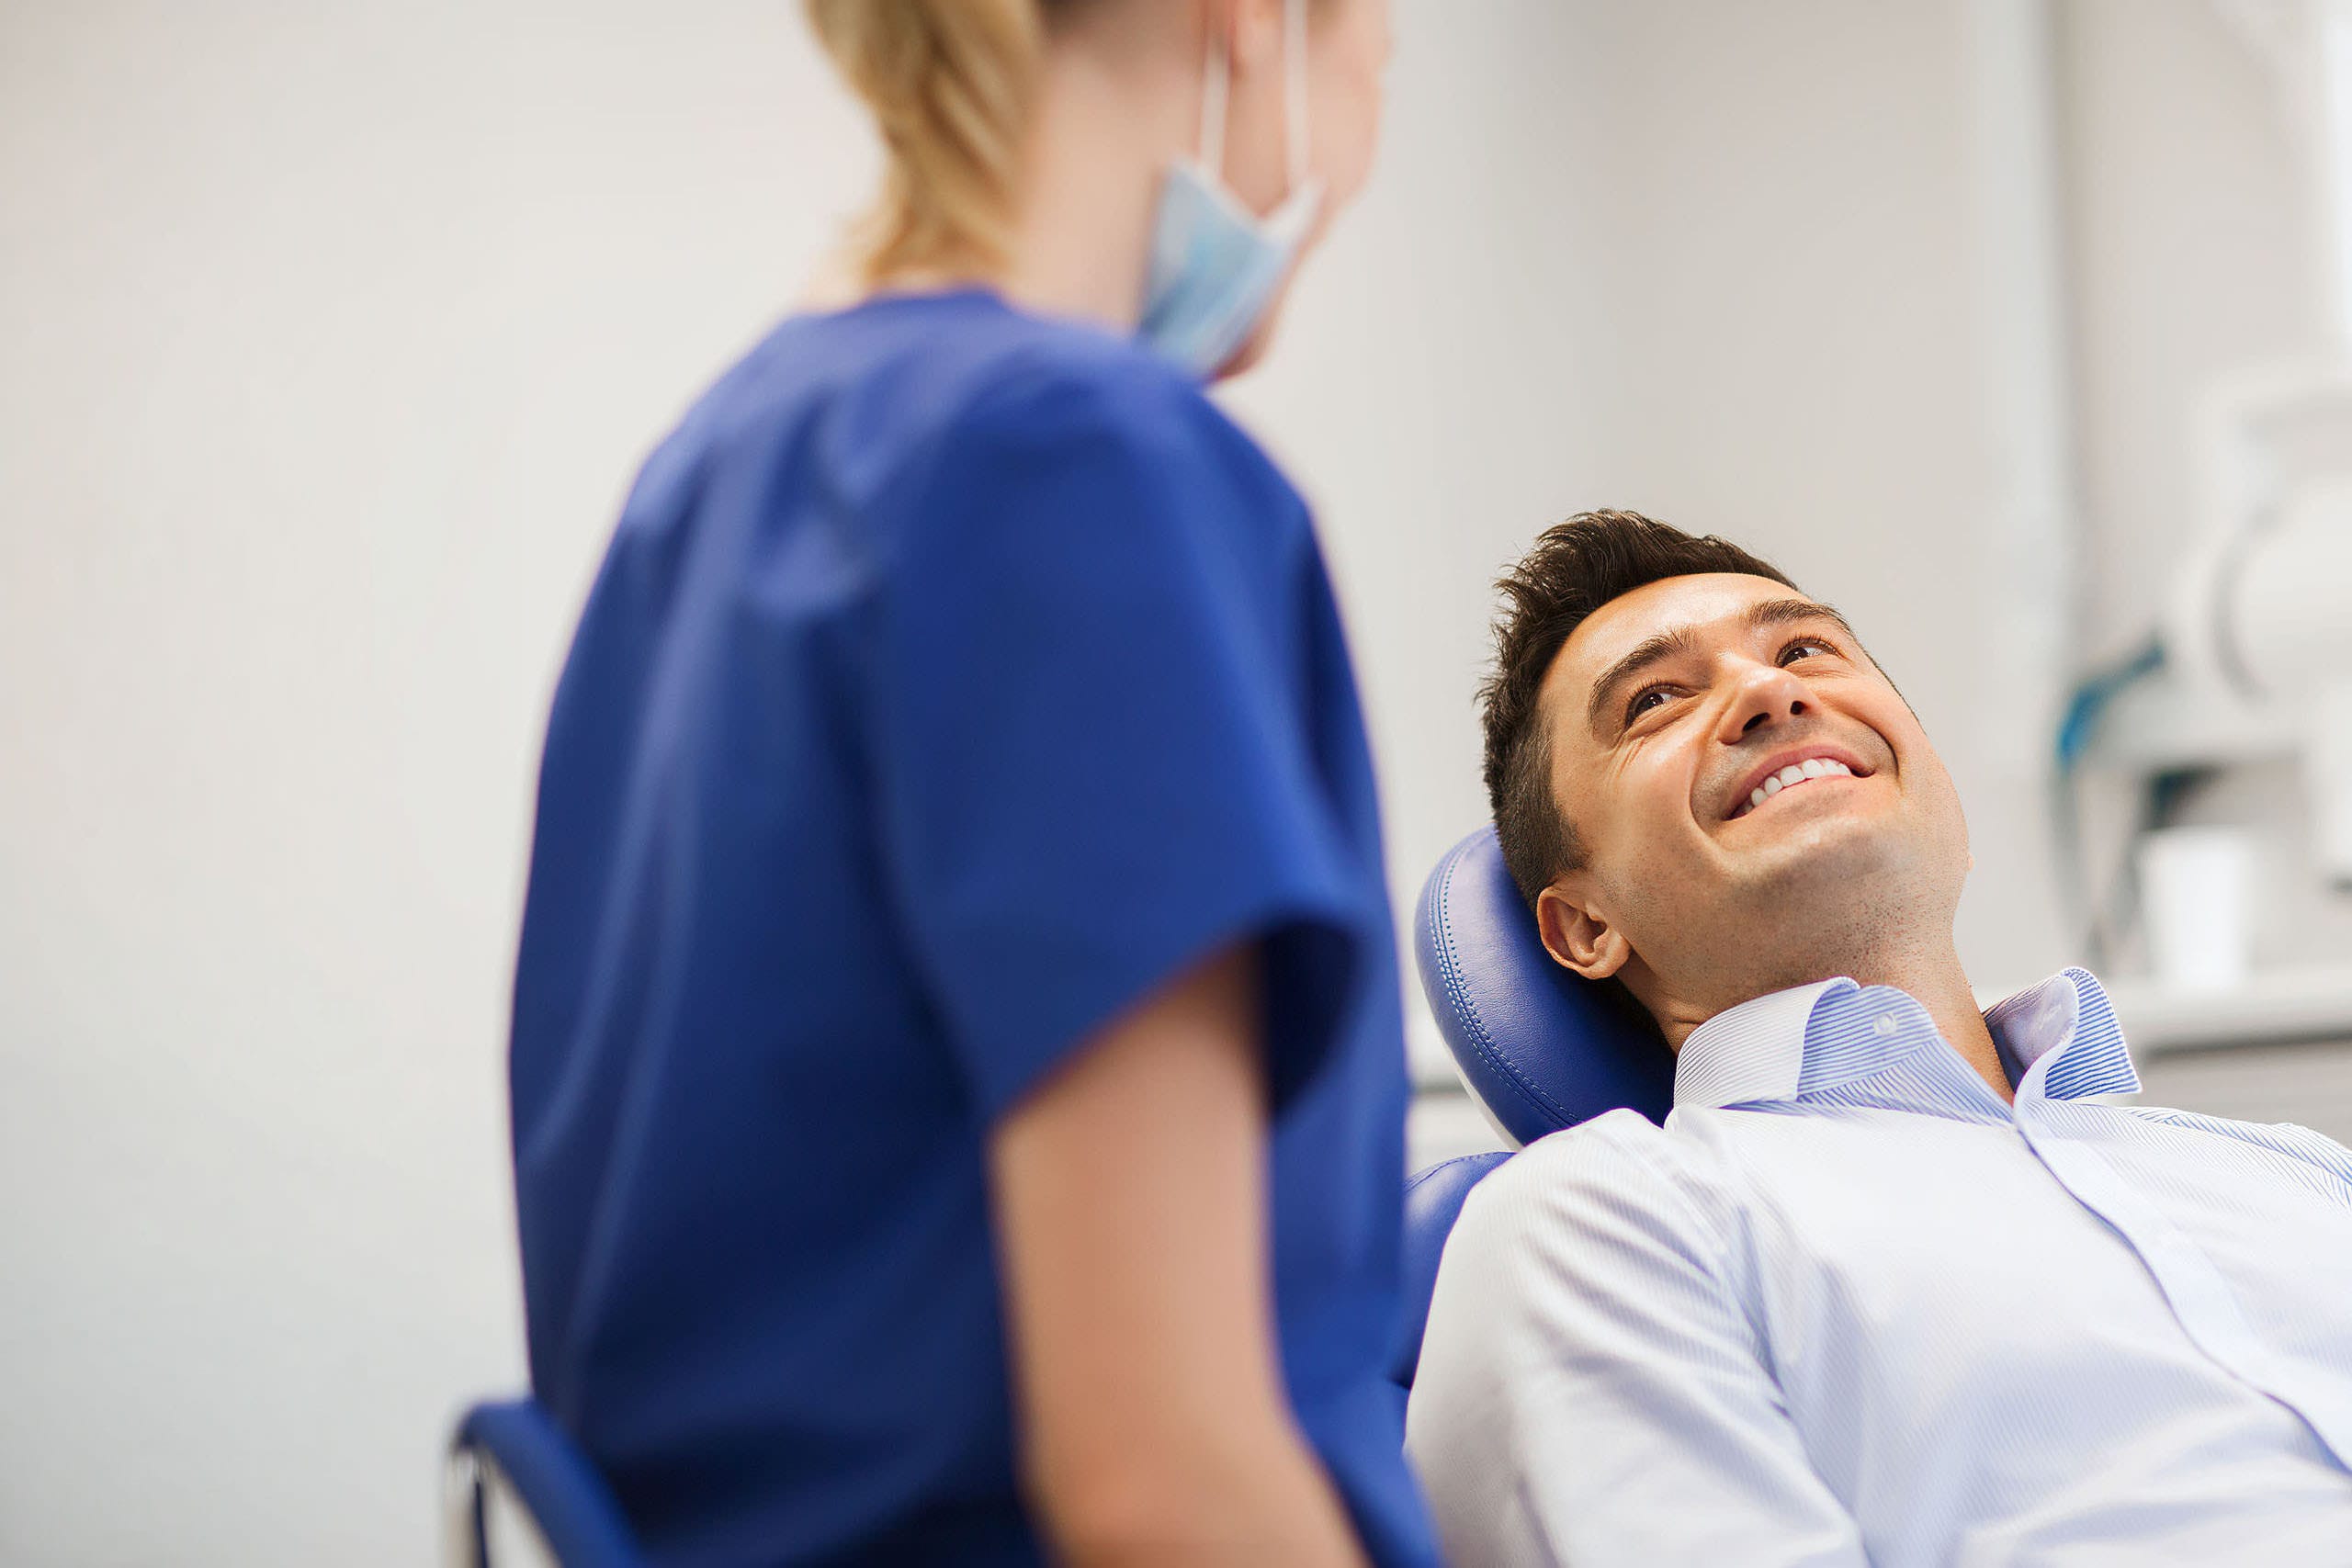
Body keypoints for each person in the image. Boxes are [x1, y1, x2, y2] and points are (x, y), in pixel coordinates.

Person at [505, 2, 1438, 1564]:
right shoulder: (1082, 465)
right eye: (1377, 58)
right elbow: (1161, 1485)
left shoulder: (715, 471)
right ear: (1250, 23)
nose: (1362, 148)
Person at [1406, 510, 2352, 1566]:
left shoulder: (2294, 1171)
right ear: (1584, 925)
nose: (1770, 691)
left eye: (1803, 649)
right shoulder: (1604, 1222)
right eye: (1655, 701)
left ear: (1933, 780)